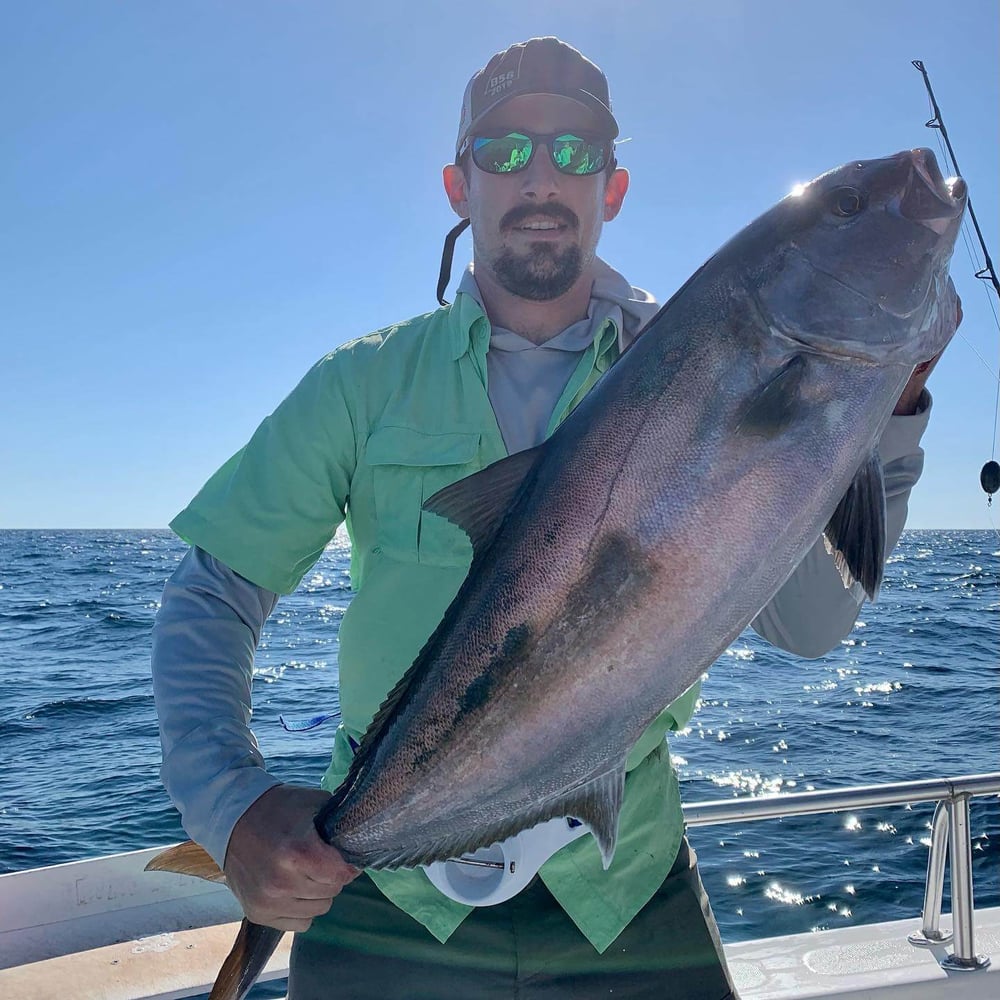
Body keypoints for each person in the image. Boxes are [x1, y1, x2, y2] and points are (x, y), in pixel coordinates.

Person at [151, 36, 961, 1000]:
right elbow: (214, 592)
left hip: (625, 891)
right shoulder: (359, 387)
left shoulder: (702, 359)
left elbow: (814, 628)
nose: (542, 175)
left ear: (612, 188)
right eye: (506, 151)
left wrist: (891, 412)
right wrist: (232, 809)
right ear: (459, 185)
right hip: (392, 903)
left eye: (575, 151)